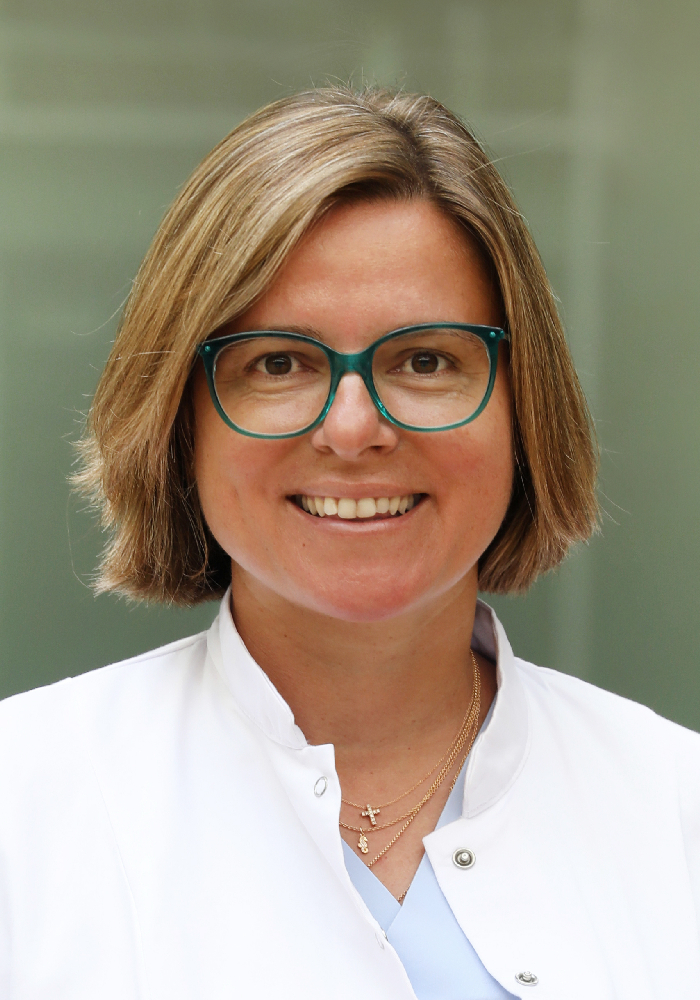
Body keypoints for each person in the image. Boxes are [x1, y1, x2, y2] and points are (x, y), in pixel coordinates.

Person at [0, 87, 698, 1000]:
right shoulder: (26, 802)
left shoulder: (675, 806)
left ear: (524, 407)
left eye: (426, 360)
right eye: (279, 363)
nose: (354, 429)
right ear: (179, 419)